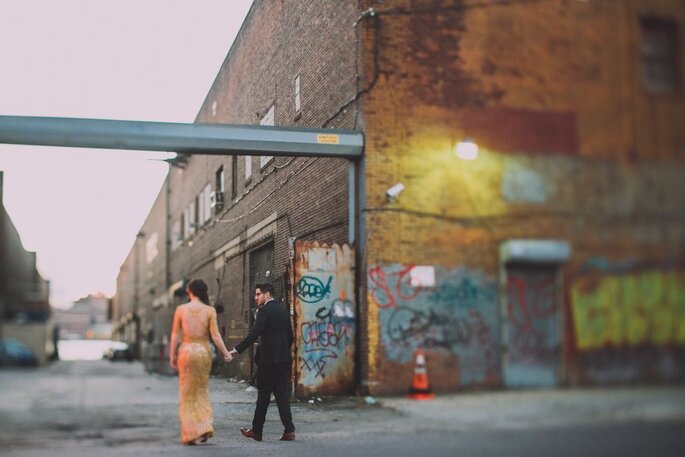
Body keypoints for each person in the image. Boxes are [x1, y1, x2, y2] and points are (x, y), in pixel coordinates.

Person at [228, 282, 295, 442]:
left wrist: (237, 350)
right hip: (284, 360)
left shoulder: (264, 310)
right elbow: (290, 337)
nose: (256, 297)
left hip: (269, 362)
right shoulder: (283, 311)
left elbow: (253, 334)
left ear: (267, 295)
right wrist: (282, 351)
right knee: (282, 395)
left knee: (263, 395)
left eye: (258, 294)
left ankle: (257, 431)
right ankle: (289, 430)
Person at [169, 278, 233, 445]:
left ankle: (190, 433)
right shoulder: (210, 310)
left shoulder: (181, 309)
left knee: (187, 393)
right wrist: (226, 353)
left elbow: (175, 335)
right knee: (201, 390)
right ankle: (203, 427)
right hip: (203, 352)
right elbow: (216, 335)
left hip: (186, 351)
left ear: (189, 292)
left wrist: (172, 356)